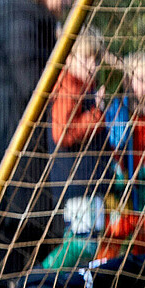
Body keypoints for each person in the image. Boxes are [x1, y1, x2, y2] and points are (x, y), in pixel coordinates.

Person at [0, 0, 75, 190]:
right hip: (9, 130)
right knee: (12, 208)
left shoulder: (32, 20)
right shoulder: (20, 23)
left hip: (15, 127)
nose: (68, 2)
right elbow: (31, 84)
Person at [40, 27, 108, 270]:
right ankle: (38, 278)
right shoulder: (69, 86)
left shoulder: (85, 86)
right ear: (69, 58)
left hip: (89, 181)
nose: (94, 64)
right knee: (80, 244)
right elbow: (62, 132)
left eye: (97, 58)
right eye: (87, 57)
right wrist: (96, 115)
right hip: (76, 182)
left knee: (89, 245)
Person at [104, 51, 145, 214]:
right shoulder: (120, 111)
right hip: (125, 187)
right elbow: (115, 149)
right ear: (128, 81)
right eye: (141, 79)